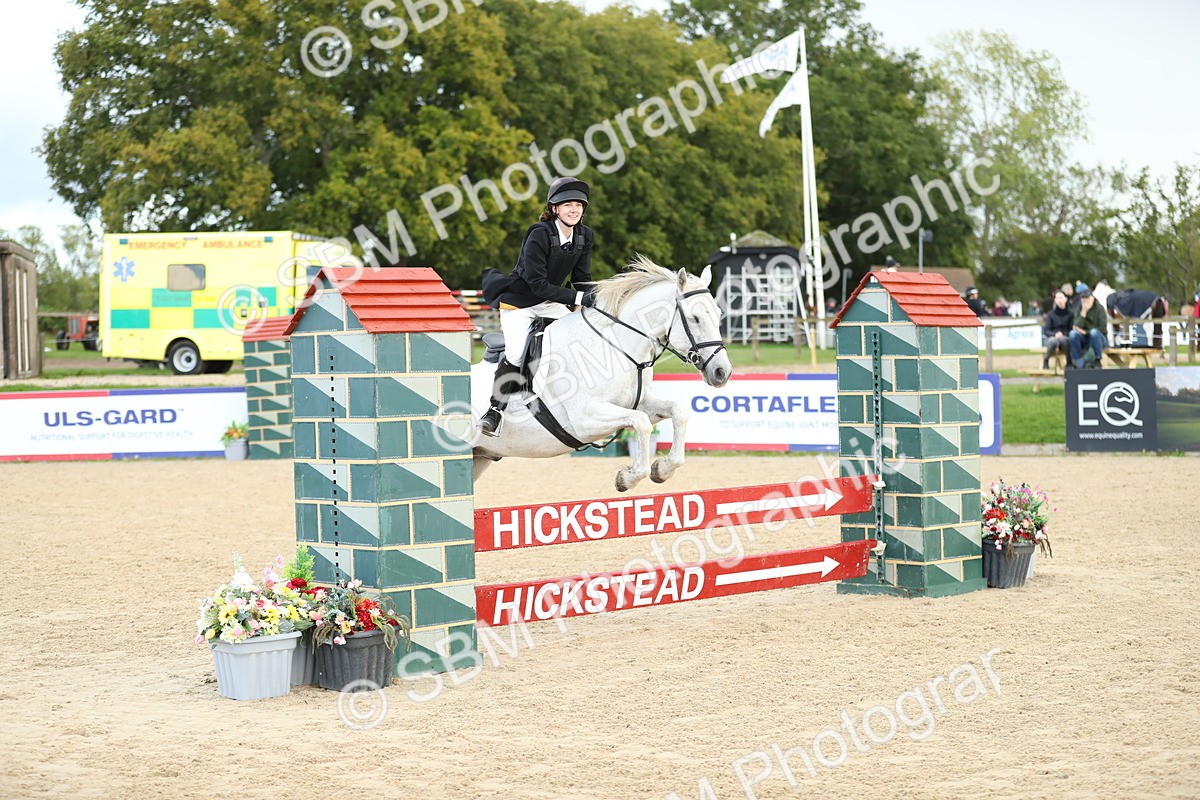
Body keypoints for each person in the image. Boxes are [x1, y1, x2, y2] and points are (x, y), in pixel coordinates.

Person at [478, 177, 595, 436]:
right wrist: (578, 299)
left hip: (549, 303)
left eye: (578, 205)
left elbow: (581, 278)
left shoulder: (584, 236)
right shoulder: (539, 234)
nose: (574, 210)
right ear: (554, 208)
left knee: (579, 334)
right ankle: (494, 411)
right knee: (517, 353)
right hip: (520, 302)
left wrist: (596, 296)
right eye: (567, 205)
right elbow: (538, 284)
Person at [1068, 288, 1107, 368]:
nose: (1085, 300)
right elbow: (1077, 326)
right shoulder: (1079, 309)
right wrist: (1083, 313)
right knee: (1072, 334)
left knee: (1094, 332)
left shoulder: (1100, 308)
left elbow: (1102, 328)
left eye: (1087, 298)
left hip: (1099, 338)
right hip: (1084, 338)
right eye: (1083, 298)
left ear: (1092, 298)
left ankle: (1097, 360)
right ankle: (1076, 361)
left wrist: (1086, 332)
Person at [1042, 291, 1073, 369]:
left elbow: (1072, 329)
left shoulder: (1071, 314)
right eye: (1057, 298)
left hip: (1065, 337)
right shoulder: (1051, 314)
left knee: (1063, 340)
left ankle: (1069, 362)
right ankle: (1046, 360)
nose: (1059, 300)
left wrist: (1063, 334)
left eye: (1061, 298)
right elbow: (1046, 330)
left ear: (1065, 299)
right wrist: (1055, 334)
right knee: (1053, 341)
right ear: (1055, 300)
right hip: (1053, 337)